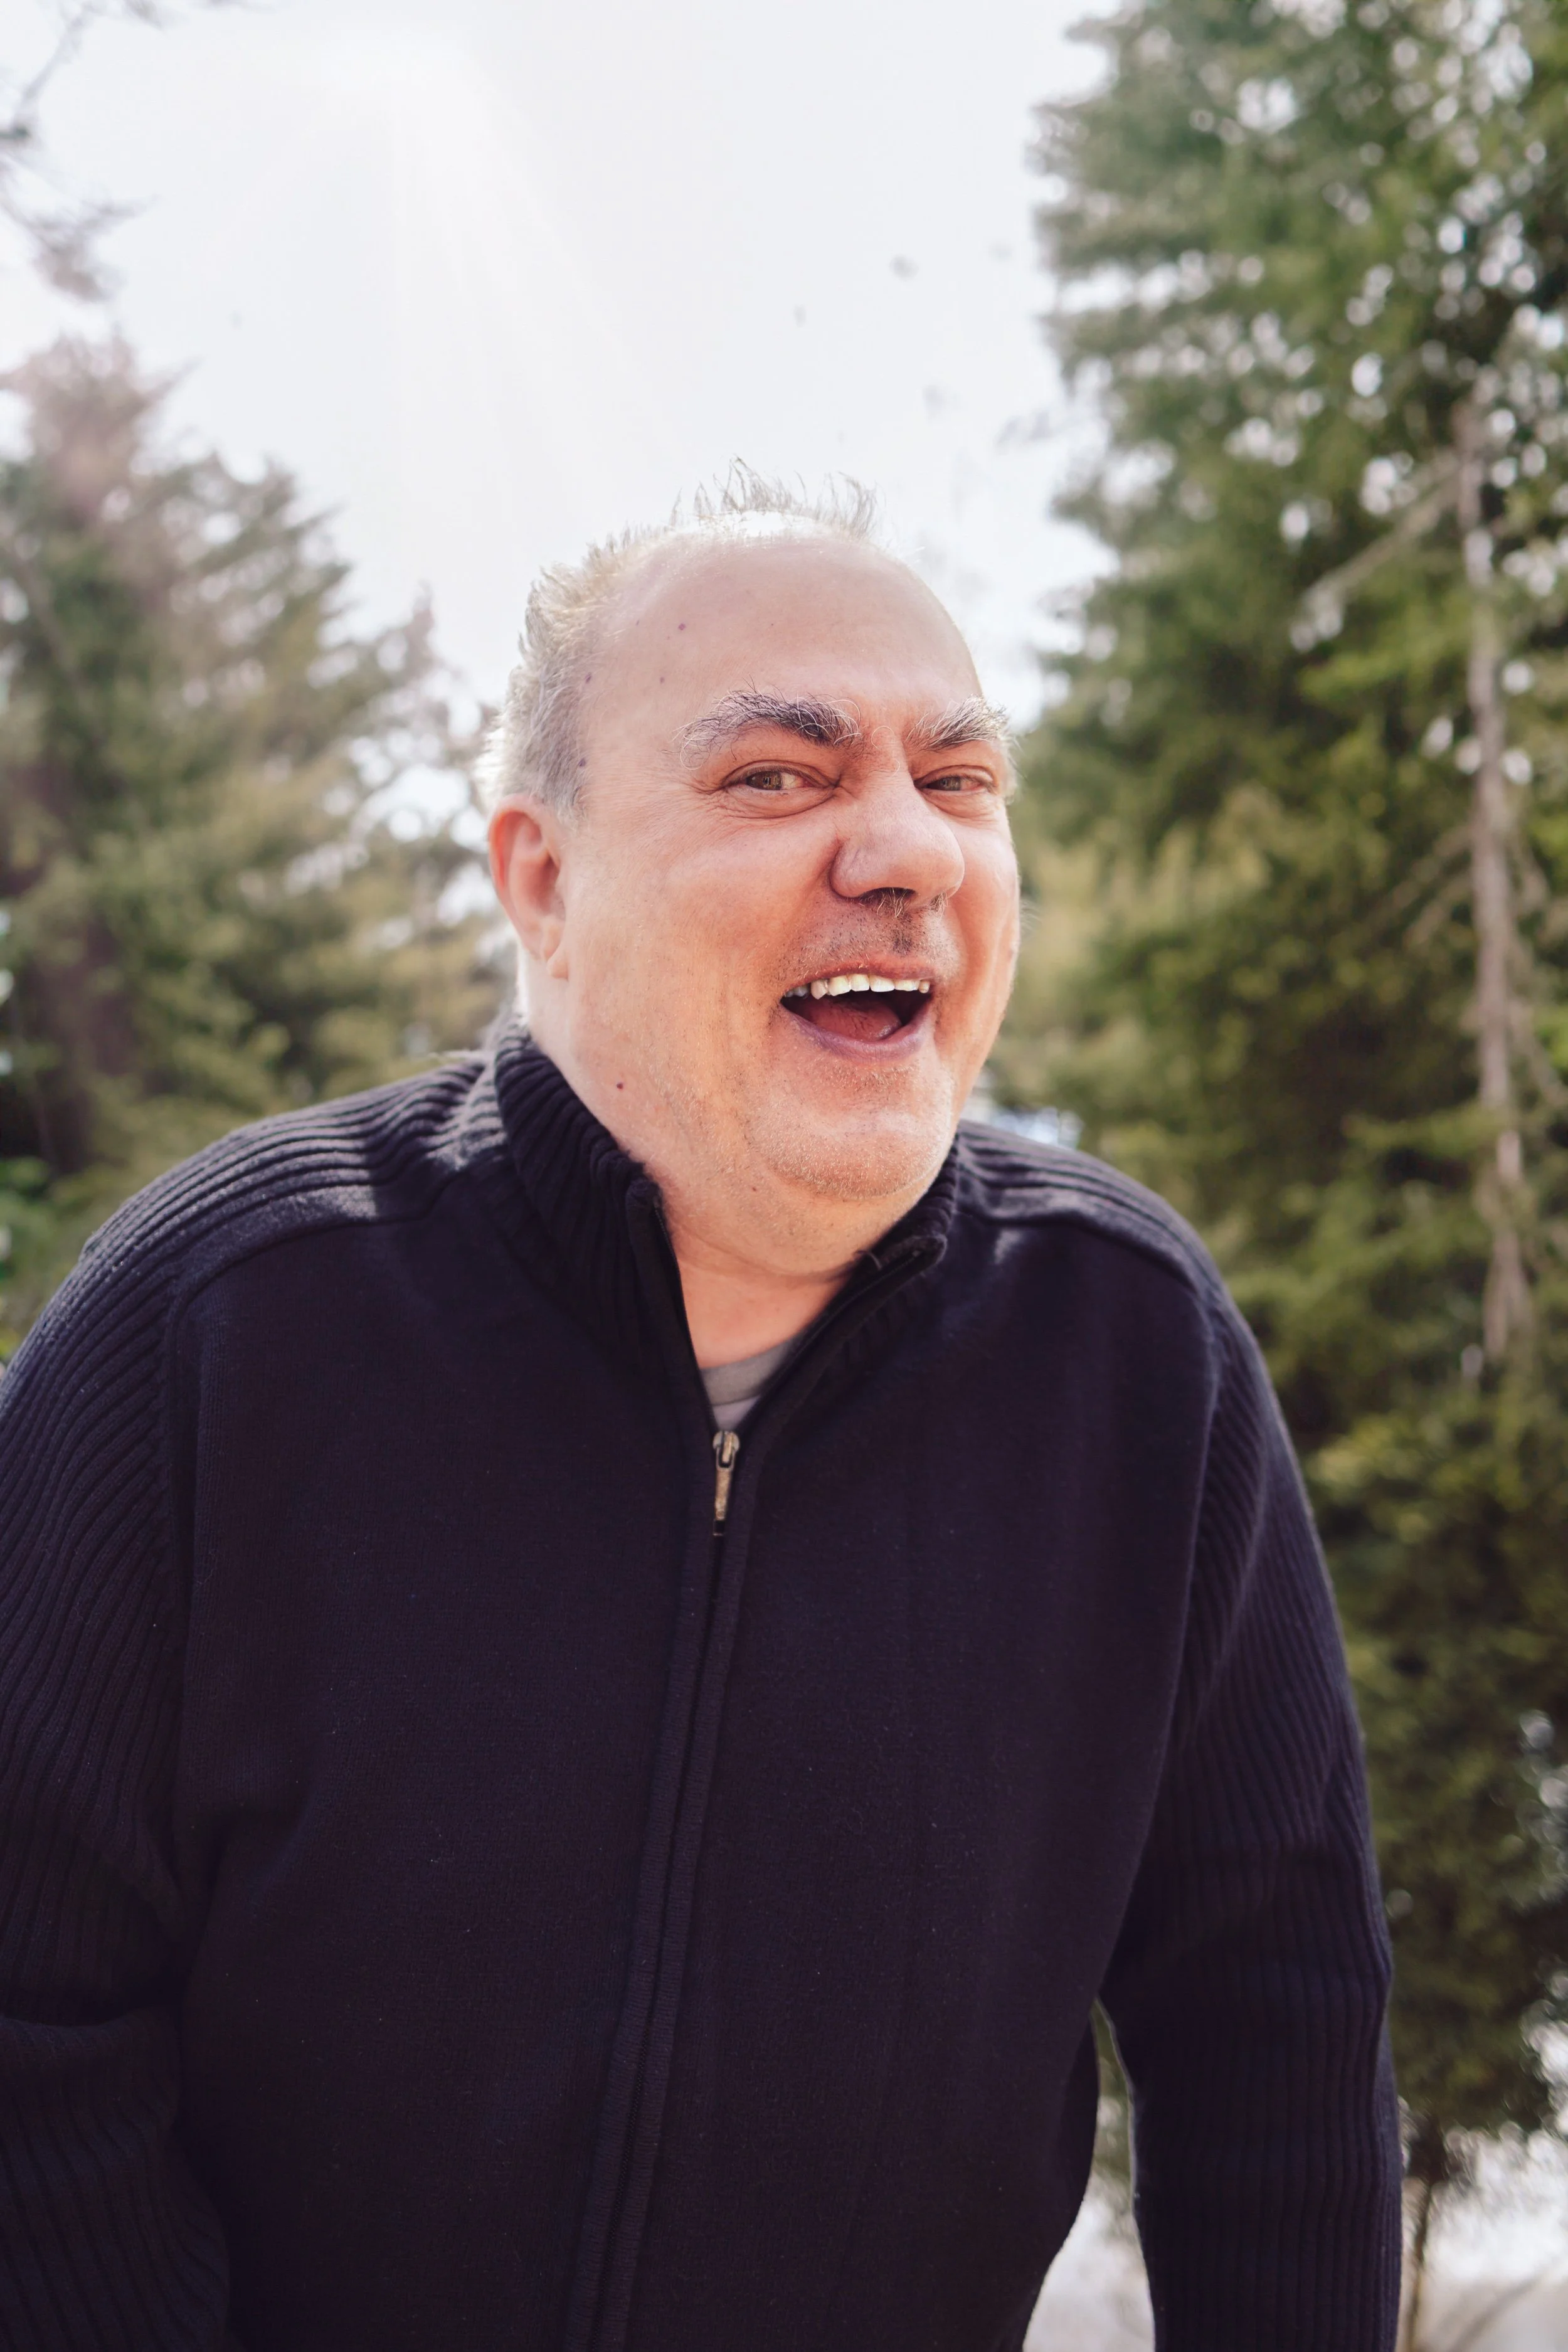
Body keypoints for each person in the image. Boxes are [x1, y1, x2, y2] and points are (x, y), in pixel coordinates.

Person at [0, 477, 1401, 2351]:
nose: (905, 845)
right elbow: (29, 2027)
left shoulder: (1136, 1353)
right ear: (542, 879)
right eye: (779, 775)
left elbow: (1277, 2037)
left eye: (959, 780)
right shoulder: (209, 1323)